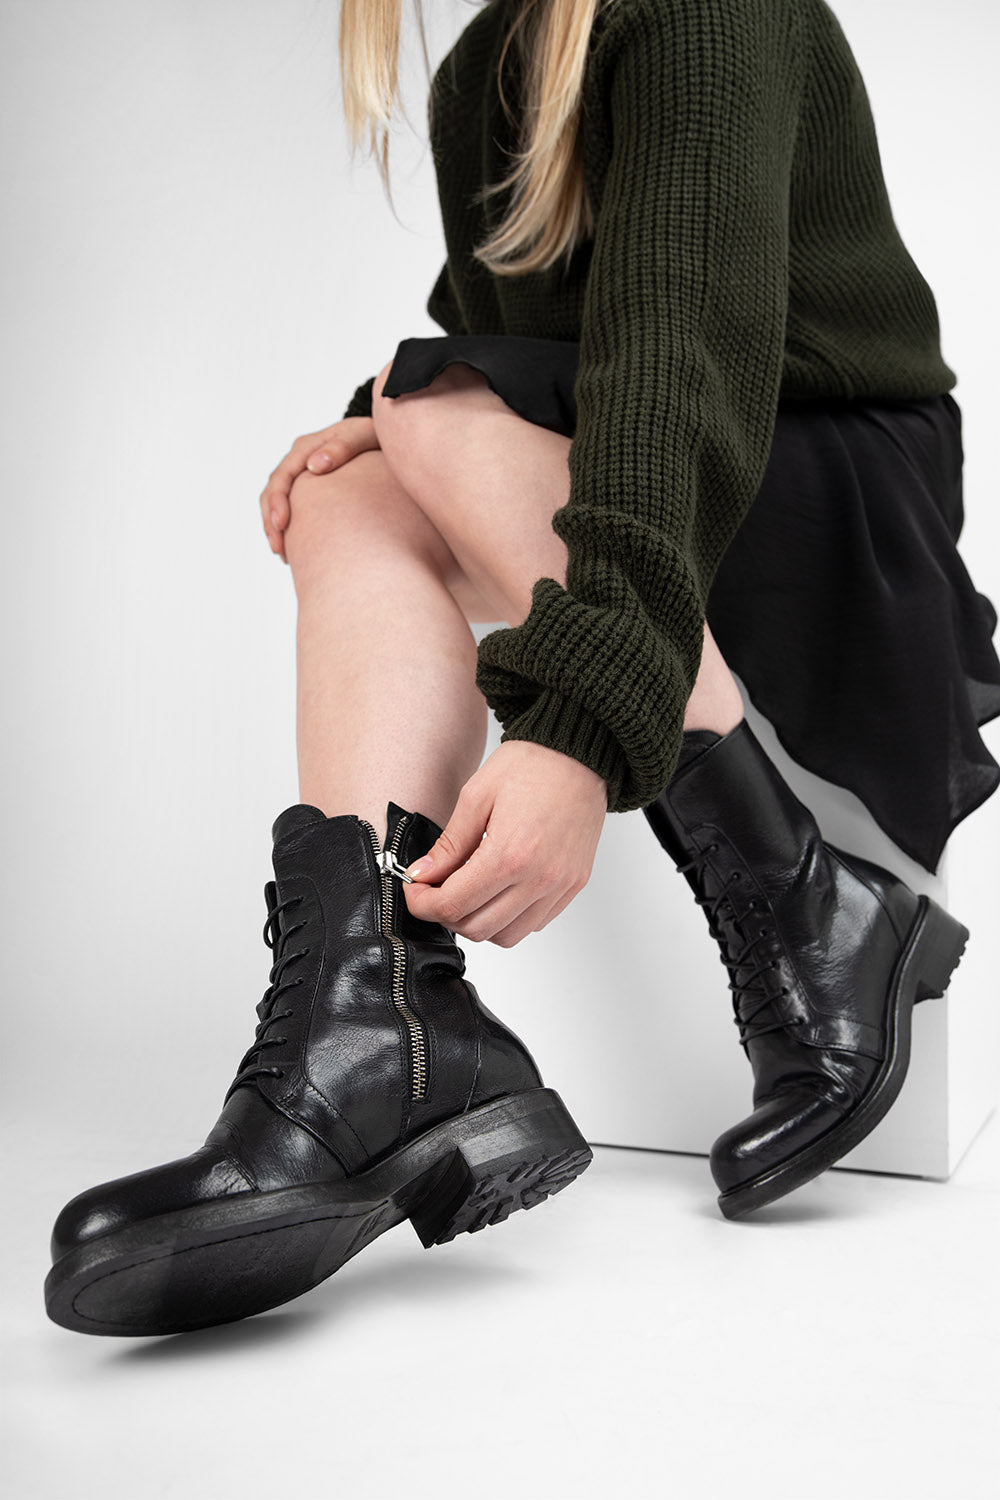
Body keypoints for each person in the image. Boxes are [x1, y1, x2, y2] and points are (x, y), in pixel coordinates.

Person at [45, 0, 1000, 1337]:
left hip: (836, 490)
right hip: (666, 458)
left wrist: (577, 732)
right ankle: (377, 1029)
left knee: (427, 408)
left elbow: (680, 360)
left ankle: (806, 899)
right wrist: (375, 428)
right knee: (354, 489)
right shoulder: (494, 56)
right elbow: (525, 344)